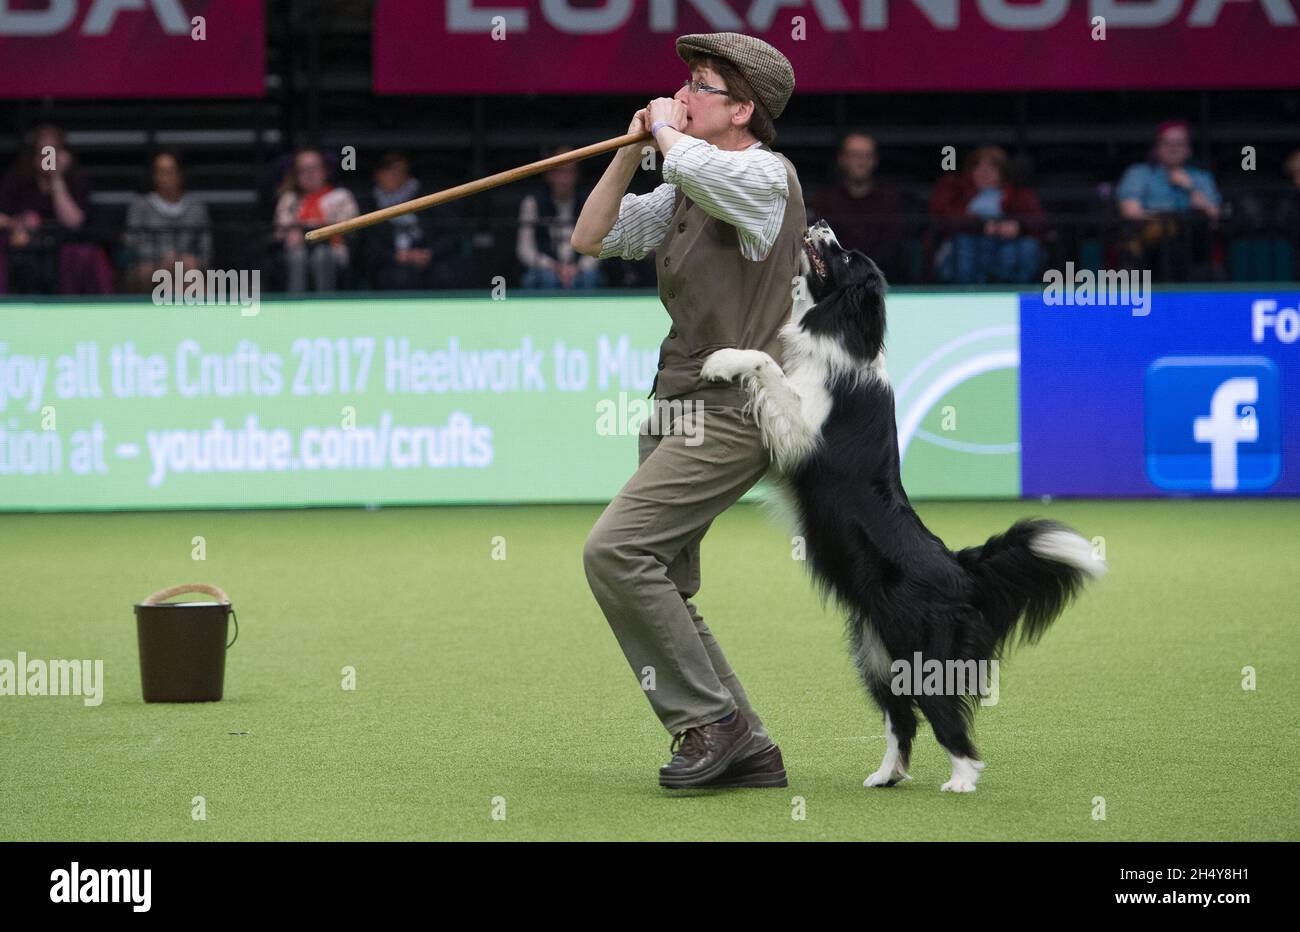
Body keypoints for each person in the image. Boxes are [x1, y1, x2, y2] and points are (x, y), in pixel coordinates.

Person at [572, 32, 801, 790]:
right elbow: (592, 236)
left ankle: (708, 722)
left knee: (615, 551)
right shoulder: (678, 182)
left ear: (744, 109)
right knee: (661, 577)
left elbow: (705, 171)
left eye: (701, 86)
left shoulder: (766, 175)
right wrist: (629, 150)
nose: (684, 95)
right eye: (685, 85)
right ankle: (750, 745)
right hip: (674, 400)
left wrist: (667, 134)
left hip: (736, 407)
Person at [0, 123, 111, 294]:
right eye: (43, 152)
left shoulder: (76, 179)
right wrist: (17, 223)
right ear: (34, 154)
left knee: (85, 254)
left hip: (62, 244)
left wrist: (56, 178)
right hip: (23, 243)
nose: (47, 158)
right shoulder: (16, 177)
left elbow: (74, 222)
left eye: (52, 152)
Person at [1115, 120, 1222, 281]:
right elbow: (1130, 211)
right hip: (1150, 250)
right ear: (1157, 147)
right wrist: (1168, 222)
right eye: (1167, 143)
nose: (1173, 148)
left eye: (1179, 143)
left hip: (1193, 249)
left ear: (1188, 149)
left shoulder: (1200, 178)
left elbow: (1214, 216)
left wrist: (1189, 187)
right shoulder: (1139, 174)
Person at [929, 146, 1045, 284]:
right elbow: (943, 216)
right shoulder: (958, 189)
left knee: (1026, 247)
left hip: (1006, 244)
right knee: (964, 243)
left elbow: (1038, 222)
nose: (985, 173)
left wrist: (1018, 227)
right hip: (968, 242)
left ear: (1002, 172)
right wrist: (980, 226)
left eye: (991, 168)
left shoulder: (1018, 193)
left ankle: (1009, 287)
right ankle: (966, 290)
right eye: (979, 168)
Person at [357, 151, 461, 290]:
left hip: (429, 258)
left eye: (400, 172)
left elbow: (450, 234)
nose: (395, 177)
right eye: (390, 172)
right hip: (391, 263)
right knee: (397, 278)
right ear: (378, 175)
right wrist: (395, 256)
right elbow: (367, 245)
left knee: (446, 274)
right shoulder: (369, 204)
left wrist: (429, 253)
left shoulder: (428, 198)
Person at [808, 132, 903, 277]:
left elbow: (892, 247)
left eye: (867, 155)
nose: (861, 161)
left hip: (882, 278)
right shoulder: (824, 200)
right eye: (854, 155)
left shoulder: (889, 201)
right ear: (842, 159)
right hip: (835, 279)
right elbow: (820, 245)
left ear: (875, 160)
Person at [123, 150, 212, 292]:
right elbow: (133, 242)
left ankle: (189, 312)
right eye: (161, 172)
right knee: (144, 272)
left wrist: (181, 259)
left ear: (181, 174)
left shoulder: (196, 209)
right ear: (154, 176)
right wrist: (163, 259)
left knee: (194, 274)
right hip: (150, 264)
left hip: (185, 266)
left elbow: (205, 249)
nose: (165, 177)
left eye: (170, 171)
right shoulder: (141, 206)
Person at [273, 148, 359, 293]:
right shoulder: (289, 199)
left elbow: (352, 228)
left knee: (322, 255)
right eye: (303, 169)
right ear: (296, 174)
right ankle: (295, 306)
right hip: (296, 251)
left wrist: (314, 231)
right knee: (297, 256)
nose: (310, 174)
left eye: (314, 168)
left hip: (333, 249)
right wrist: (290, 234)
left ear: (325, 170)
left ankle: (325, 306)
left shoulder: (341, 196)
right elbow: (280, 230)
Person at [517, 146, 601, 289]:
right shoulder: (532, 203)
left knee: (589, 277)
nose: (564, 179)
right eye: (559, 172)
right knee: (544, 279)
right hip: (545, 269)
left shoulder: (590, 202)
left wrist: (578, 268)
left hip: (581, 269)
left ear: (577, 175)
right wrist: (553, 266)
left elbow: (600, 247)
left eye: (570, 172)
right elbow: (525, 250)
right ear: (549, 175)